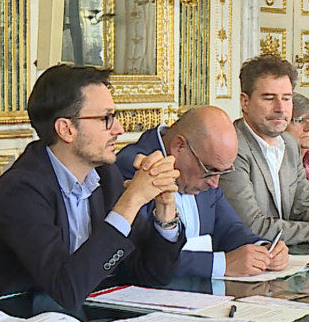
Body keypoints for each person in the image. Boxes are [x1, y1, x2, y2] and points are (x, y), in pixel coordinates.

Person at [0, 65, 185, 311]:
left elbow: (153, 275)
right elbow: (65, 289)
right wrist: (132, 200)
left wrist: (165, 210)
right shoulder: (21, 190)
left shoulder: (105, 176)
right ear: (66, 129)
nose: (119, 129)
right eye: (106, 119)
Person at [116, 106, 289, 278]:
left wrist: (263, 249)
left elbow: (229, 228)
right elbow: (141, 258)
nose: (215, 183)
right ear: (179, 146)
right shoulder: (136, 167)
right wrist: (221, 264)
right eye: (210, 171)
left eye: (222, 172)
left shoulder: (205, 166)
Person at [218, 55, 309, 246]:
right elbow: (252, 226)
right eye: (269, 98)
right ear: (245, 102)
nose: (280, 108)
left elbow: (305, 206)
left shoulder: (289, 143)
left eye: (286, 98)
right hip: (244, 257)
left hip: (287, 255)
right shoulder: (232, 147)